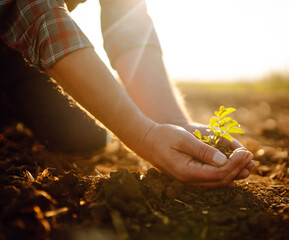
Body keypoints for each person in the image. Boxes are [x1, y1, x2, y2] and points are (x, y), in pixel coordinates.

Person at [0, 0, 254, 187]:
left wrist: (172, 122)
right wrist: (145, 136)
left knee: (84, 136)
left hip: (16, 50)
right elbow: (37, 15)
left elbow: (129, 27)